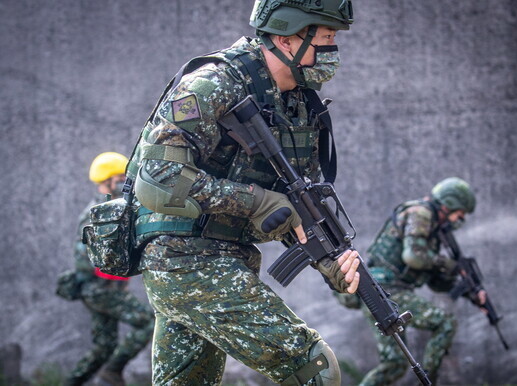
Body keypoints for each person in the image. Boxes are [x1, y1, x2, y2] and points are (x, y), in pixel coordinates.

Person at [124, 0, 361, 384]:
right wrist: (255, 201)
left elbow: (296, 207)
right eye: (327, 38)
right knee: (312, 365)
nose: (333, 52)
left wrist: (328, 259)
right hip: (183, 260)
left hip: (229, 258)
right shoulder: (212, 83)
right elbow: (157, 179)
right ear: (288, 38)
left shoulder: (301, 104)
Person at [338, 177, 484, 385]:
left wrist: (469, 291)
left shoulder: (433, 227)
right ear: (449, 204)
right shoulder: (420, 213)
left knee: (395, 365)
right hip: (385, 290)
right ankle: (427, 382)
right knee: (445, 323)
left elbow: (434, 281)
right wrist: (450, 265)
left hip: (382, 291)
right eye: (459, 213)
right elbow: (413, 257)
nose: (459, 220)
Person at [64, 152, 154, 386]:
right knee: (147, 322)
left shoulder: (115, 208)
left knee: (104, 346)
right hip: (100, 289)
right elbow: (83, 258)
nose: (125, 181)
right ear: (105, 182)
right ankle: (112, 372)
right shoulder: (97, 213)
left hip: (104, 288)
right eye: (119, 177)